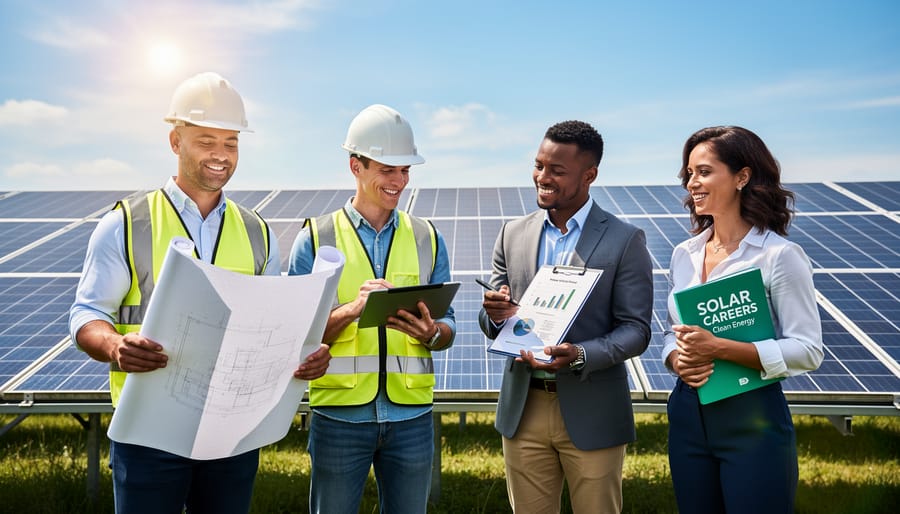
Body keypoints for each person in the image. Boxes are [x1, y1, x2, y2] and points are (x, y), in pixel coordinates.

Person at [69, 71, 332, 514]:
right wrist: (115, 345)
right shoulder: (127, 223)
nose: (221, 155)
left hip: (233, 433)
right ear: (176, 142)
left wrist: (304, 354)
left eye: (230, 143)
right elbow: (86, 315)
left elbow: (274, 325)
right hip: (149, 431)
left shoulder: (258, 233)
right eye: (206, 141)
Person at [478, 120, 653, 513]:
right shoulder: (513, 233)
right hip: (524, 409)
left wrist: (581, 354)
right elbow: (492, 320)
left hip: (592, 407)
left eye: (557, 170)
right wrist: (495, 312)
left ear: (589, 175)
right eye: (539, 165)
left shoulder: (624, 240)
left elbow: (636, 330)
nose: (543, 177)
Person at [288, 103, 456, 514]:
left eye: (405, 170)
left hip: (411, 417)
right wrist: (352, 310)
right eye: (387, 169)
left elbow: (448, 326)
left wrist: (432, 332)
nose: (399, 181)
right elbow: (293, 335)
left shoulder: (427, 238)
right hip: (340, 418)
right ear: (355, 167)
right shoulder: (316, 238)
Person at [663, 126, 824, 514]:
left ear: (742, 176)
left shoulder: (779, 255)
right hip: (687, 412)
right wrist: (675, 359)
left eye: (703, 172)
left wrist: (719, 348)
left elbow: (808, 350)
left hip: (752, 415)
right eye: (688, 174)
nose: (692, 183)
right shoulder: (684, 253)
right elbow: (673, 333)